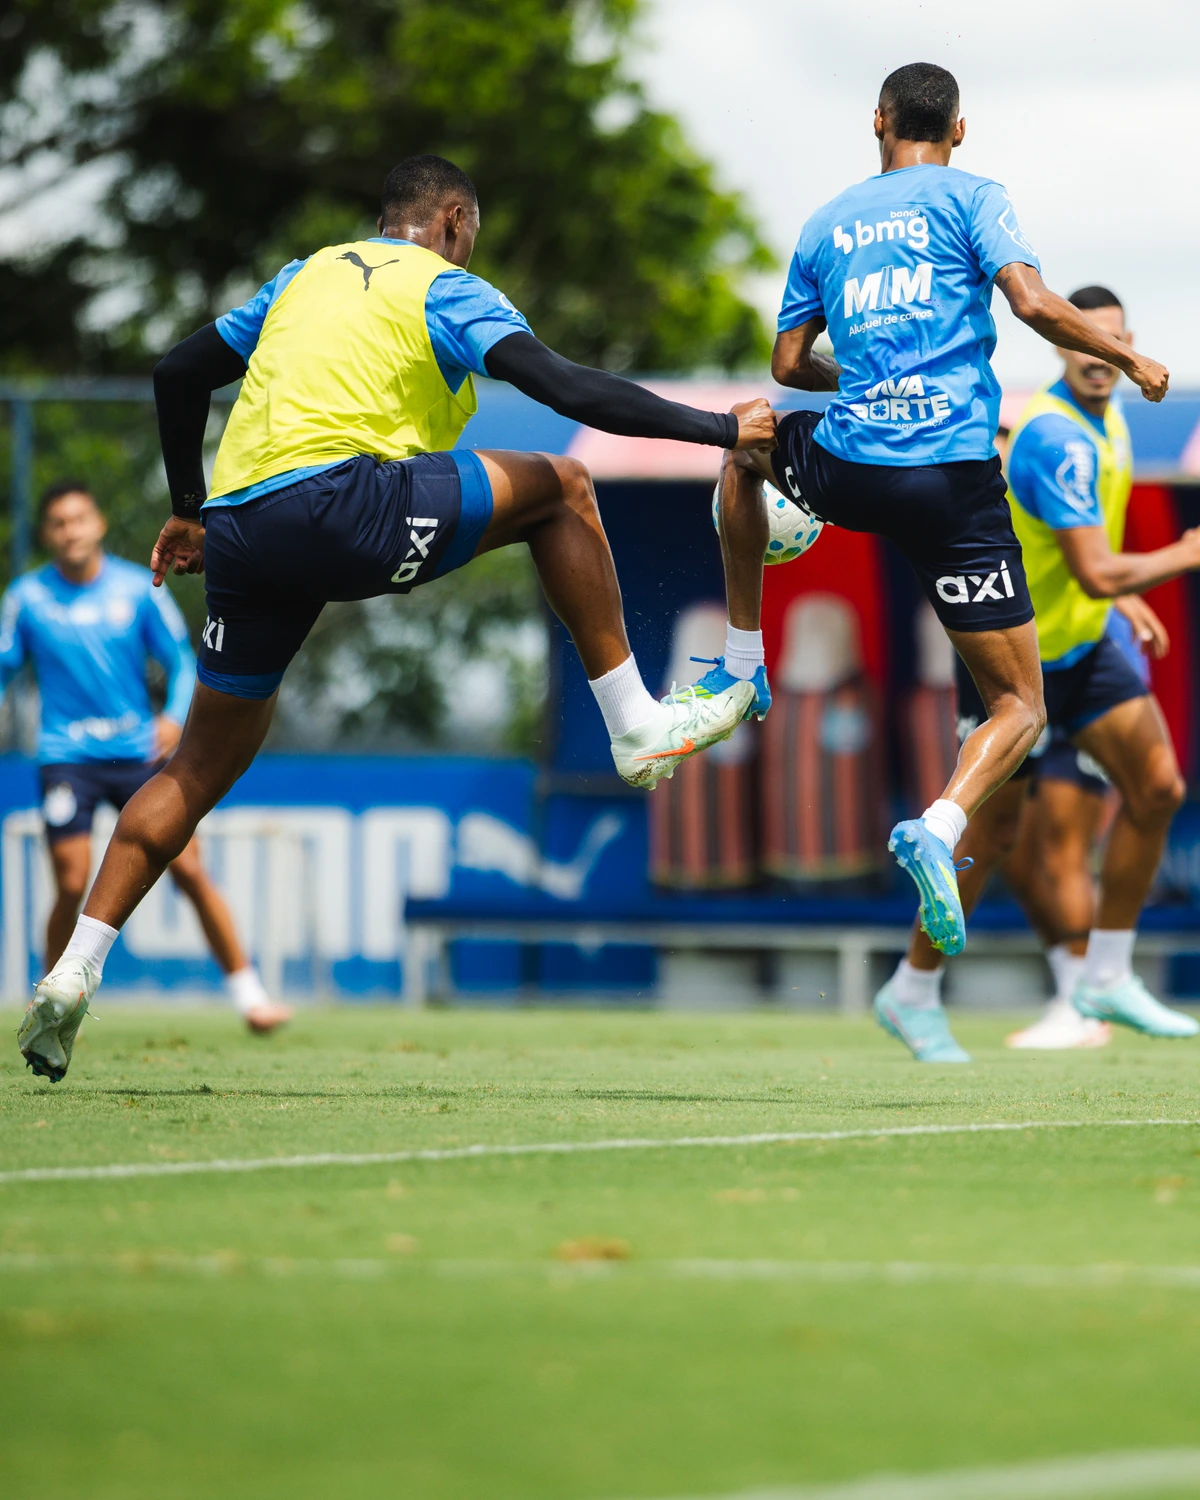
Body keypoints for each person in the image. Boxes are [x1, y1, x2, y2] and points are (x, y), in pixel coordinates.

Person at [17, 153, 777, 1081]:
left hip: (243, 528)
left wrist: (188, 508)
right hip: (344, 504)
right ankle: (636, 724)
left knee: (197, 768)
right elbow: (569, 389)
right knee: (565, 488)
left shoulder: (303, 276)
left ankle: (73, 971)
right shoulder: (444, 287)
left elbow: (179, 372)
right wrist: (720, 430)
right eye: (472, 234)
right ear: (454, 221)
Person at [696, 62, 1170, 1063]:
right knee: (1018, 713)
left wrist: (867, 387)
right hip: (949, 482)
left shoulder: (826, 222)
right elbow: (1030, 302)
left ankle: (742, 659)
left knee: (745, 441)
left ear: (877, 121)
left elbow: (787, 368)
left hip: (854, 465)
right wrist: (1134, 358)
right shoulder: (973, 197)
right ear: (959, 128)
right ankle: (941, 828)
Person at [876, 285, 1199, 1057]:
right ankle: (911, 990)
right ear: (1060, 346)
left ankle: (1104, 977)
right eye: (1084, 340)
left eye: (1112, 341)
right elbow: (1094, 569)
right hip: (1007, 662)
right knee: (991, 838)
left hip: (1082, 648)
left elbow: (1075, 554)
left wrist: (1122, 598)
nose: (1099, 355)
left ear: (1127, 347)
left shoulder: (1108, 418)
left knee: (1157, 788)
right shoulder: (1058, 438)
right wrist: (1184, 554)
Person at [4, 481, 290, 1044]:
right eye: (59, 523)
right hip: (66, 757)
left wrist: (174, 719)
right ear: (47, 534)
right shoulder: (27, 597)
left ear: (99, 525)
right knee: (71, 881)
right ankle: (50, 1002)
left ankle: (250, 995)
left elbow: (181, 660)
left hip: (138, 752)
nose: (70, 531)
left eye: (79, 519)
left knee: (189, 870)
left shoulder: (138, 589)